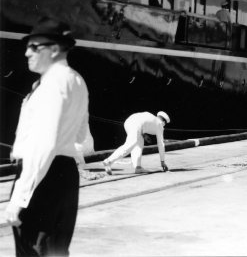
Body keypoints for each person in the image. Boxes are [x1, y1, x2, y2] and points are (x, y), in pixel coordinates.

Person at [4, 18, 91, 256]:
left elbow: (44, 144)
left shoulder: (51, 84)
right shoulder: (77, 80)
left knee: (34, 249)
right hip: (65, 175)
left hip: (42, 176)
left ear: (54, 49)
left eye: (34, 47)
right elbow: (82, 135)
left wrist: (19, 199)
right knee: (56, 251)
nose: (27, 53)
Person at [103, 111, 171, 174]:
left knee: (139, 143)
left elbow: (142, 122)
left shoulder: (151, 117)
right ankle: (108, 161)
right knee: (130, 144)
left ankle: (138, 167)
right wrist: (162, 162)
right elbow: (161, 144)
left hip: (129, 121)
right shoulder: (159, 124)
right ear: (163, 122)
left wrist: (143, 134)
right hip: (136, 125)